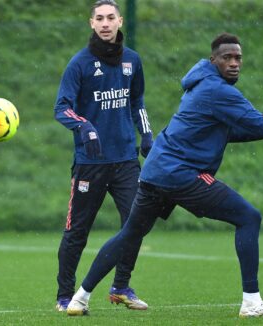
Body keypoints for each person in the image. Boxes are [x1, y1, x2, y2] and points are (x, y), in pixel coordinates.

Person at [65, 32, 263, 317]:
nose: (234, 63)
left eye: (238, 58)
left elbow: (235, 130)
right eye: (227, 58)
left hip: (156, 171)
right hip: (181, 174)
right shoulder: (218, 91)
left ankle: (79, 298)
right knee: (248, 217)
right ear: (213, 60)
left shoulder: (202, 84)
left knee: (130, 233)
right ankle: (252, 303)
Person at [53, 0, 154, 312]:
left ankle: (121, 286)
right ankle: (65, 296)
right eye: (100, 18)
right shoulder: (79, 64)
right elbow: (62, 107)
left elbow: (136, 100)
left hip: (125, 161)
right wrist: (85, 127)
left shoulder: (132, 61)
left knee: (136, 223)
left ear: (120, 21)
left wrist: (146, 133)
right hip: (90, 163)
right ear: (91, 23)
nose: (106, 23)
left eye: (111, 17)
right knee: (77, 233)